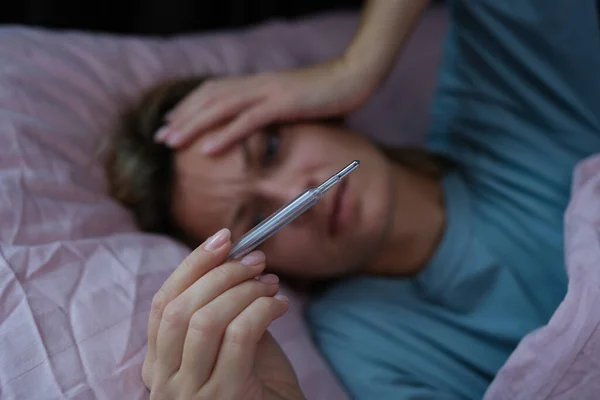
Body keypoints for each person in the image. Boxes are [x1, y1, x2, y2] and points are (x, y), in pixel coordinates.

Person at [105, 0, 600, 398]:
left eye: (271, 149)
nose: (297, 197)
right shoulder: (364, 347)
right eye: (259, 218)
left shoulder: (507, 104)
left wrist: (355, 66)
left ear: (310, 108)